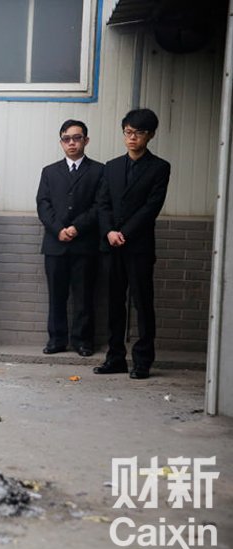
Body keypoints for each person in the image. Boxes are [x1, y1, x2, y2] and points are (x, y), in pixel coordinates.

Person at [95, 108, 170, 379]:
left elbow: (151, 207)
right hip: (112, 245)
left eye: (138, 133)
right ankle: (115, 357)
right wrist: (109, 232)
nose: (132, 138)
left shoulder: (160, 168)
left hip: (138, 247)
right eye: (128, 132)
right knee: (115, 303)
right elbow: (102, 204)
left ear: (149, 135)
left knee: (142, 303)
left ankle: (142, 360)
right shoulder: (112, 166)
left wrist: (123, 232)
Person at [35, 120, 104, 357]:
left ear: (86, 140)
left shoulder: (98, 171)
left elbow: (100, 206)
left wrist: (76, 228)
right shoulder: (49, 171)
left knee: (84, 296)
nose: (72, 143)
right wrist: (58, 229)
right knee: (57, 296)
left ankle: (83, 341)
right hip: (55, 244)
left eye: (76, 138)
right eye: (67, 139)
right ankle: (56, 340)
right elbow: (43, 205)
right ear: (61, 142)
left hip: (85, 244)